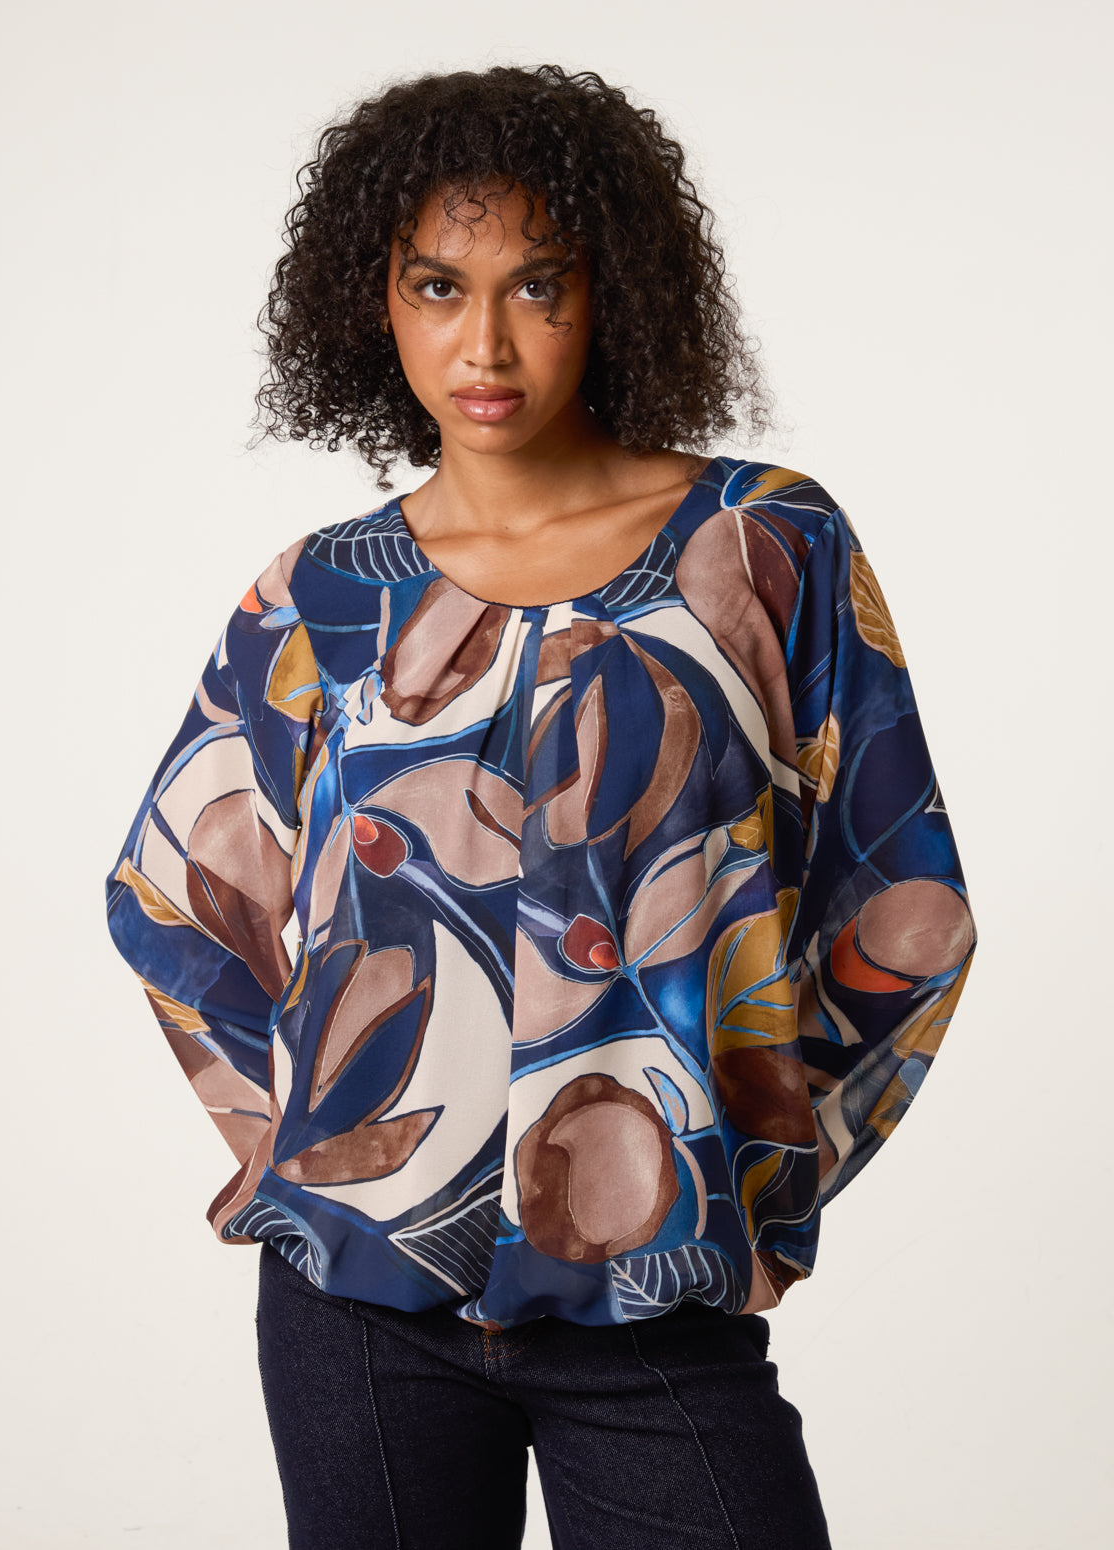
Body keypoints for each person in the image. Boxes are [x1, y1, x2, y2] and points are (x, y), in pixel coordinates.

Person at [104, 63, 977, 1550]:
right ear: (374, 302)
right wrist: (315, 1147)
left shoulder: (762, 543)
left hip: (652, 1301)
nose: (486, 343)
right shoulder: (321, 596)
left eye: (538, 285)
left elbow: (905, 901)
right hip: (358, 1319)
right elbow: (177, 894)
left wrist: (750, 1176)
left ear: (612, 291)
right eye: (439, 286)